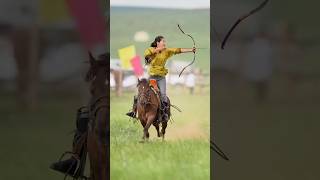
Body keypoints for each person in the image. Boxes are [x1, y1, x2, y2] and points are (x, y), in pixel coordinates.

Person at [126, 35, 196, 121]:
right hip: (152, 77)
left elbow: (178, 50)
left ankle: (164, 114)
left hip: (161, 78)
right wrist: (158, 50)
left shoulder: (166, 51)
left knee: (163, 95)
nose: (164, 43)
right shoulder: (150, 49)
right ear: (158, 43)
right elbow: (147, 56)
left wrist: (190, 50)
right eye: (163, 41)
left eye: (164, 42)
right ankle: (133, 111)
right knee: (141, 92)